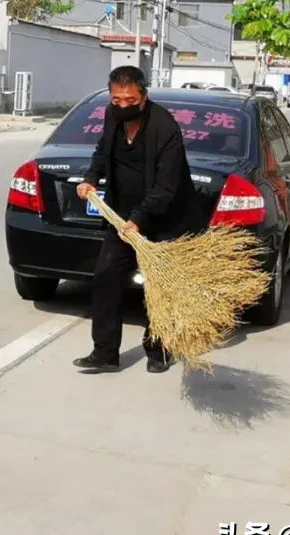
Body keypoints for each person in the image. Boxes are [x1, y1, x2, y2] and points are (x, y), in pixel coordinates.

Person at [74, 66, 206, 374]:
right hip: (121, 219)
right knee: (106, 275)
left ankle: (158, 350)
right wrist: (91, 178)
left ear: (143, 97)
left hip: (164, 218)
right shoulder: (111, 116)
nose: (122, 105)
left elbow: (167, 185)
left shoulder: (165, 128)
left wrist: (140, 218)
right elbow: (101, 151)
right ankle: (105, 352)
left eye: (129, 99)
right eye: (116, 99)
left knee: (158, 288)